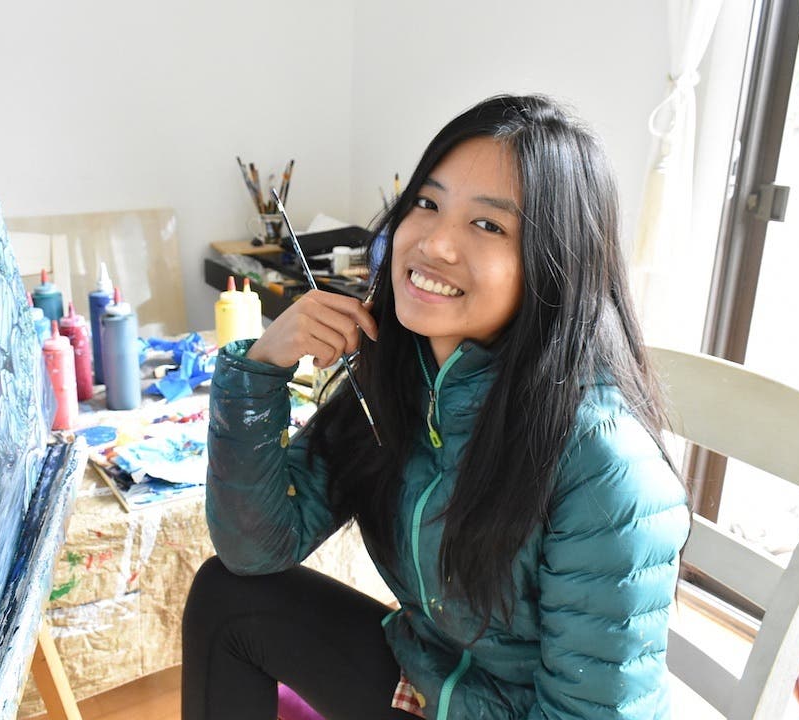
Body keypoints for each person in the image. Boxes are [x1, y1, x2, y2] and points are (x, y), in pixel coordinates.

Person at [182, 94, 691, 720]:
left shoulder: (605, 468)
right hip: (430, 674)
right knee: (227, 596)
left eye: (488, 225)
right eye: (427, 203)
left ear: (557, 267)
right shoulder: (404, 376)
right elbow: (254, 548)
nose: (434, 244)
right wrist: (259, 371)